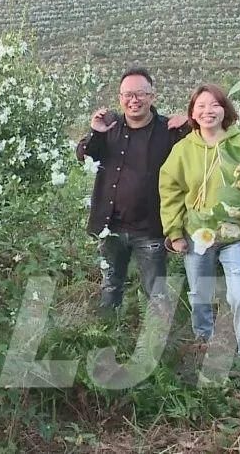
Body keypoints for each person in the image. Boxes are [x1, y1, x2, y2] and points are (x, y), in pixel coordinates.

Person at [75, 67, 189, 311]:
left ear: (152, 96)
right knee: (110, 286)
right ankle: (107, 338)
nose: (133, 100)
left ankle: (158, 341)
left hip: (151, 229)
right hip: (111, 227)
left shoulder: (168, 130)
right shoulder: (109, 127)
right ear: (120, 98)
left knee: (156, 292)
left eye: (140, 94)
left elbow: (202, 146)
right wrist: (96, 132)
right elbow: (83, 154)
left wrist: (191, 122)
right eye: (127, 94)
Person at [159, 83, 240, 356]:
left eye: (214, 105)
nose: (208, 111)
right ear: (192, 112)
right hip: (197, 233)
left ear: (224, 109)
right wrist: (175, 232)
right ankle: (204, 344)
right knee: (200, 296)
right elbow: (170, 190)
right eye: (201, 106)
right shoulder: (183, 149)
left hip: (235, 236)